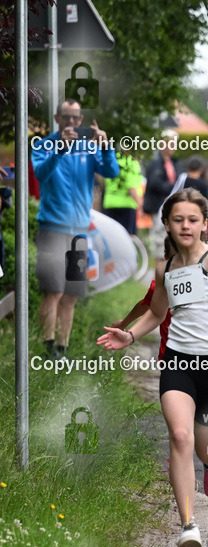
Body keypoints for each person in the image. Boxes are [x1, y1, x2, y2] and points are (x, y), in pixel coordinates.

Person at [97, 188, 208, 547]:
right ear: (166, 224)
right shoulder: (165, 267)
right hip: (178, 364)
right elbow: (157, 313)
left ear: (204, 224)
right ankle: (188, 526)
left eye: (192, 219)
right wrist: (130, 333)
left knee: (205, 445)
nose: (185, 226)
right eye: (177, 219)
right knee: (180, 436)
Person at [32, 98, 120, 360]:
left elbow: (112, 172)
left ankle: (63, 348)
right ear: (57, 118)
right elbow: (40, 174)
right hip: (52, 227)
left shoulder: (88, 147)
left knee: (71, 294)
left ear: (81, 120)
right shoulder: (44, 145)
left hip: (79, 233)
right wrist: (60, 148)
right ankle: (48, 348)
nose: (71, 122)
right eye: (66, 117)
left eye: (76, 118)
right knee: (54, 290)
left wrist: (105, 147)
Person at [142, 130, 180, 253]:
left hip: (168, 206)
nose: (173, 147)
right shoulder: (156, 163)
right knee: (160, 240)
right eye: (170, 143)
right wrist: (173, 188)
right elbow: (155, 183)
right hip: (158, 206)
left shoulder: (173, 162)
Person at [102, 148, 143, 235]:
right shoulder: (131, 162)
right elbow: (131, 188)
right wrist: (141, 205)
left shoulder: (112, 160)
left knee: (110, 237)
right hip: (126, 205)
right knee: (127, 238)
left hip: (109, 203)